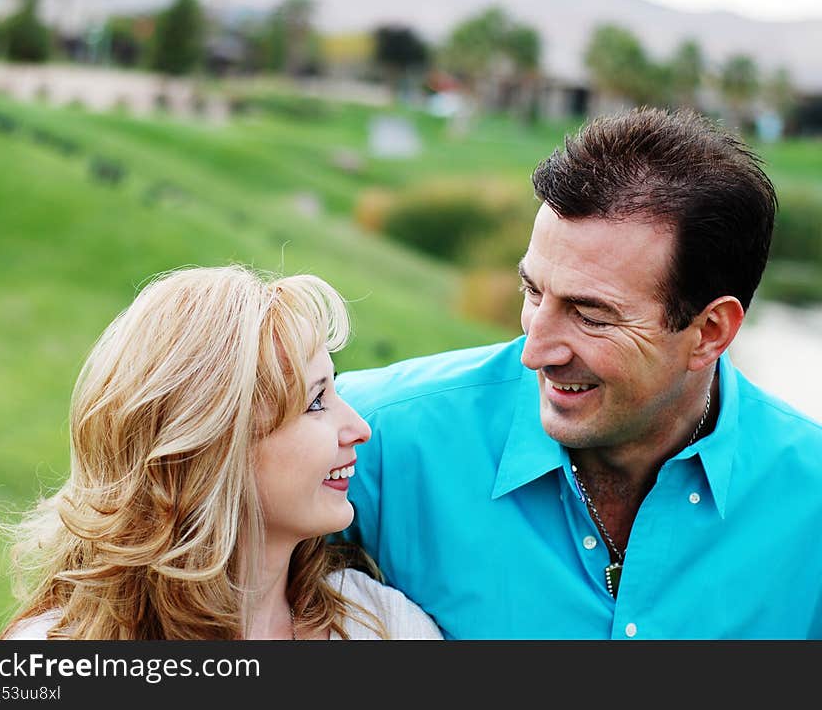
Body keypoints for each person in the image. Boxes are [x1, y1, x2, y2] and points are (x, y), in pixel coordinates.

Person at [336, 107, 822, 640]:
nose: (535, 350)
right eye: (533, 292)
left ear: (710, 331)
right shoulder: (364, 439)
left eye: (590, 315)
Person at [0, 265, 442, 640]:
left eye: (334, 388)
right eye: (315, 402)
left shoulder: (385, 629)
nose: (359, 429)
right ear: (212, 444)